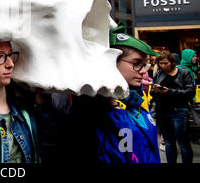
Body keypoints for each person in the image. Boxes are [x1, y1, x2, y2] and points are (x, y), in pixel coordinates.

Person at [60, 22, 161, 163]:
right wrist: (115, 111)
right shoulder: (90, 109)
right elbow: (123, 152)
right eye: (136, 63)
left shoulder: (136, 100)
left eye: (144, 64)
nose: (144, 71)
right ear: (111, 62)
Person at [151, 51, 195, 163]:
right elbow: (152, 92)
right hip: (163, 110)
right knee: (169, 143)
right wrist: (156, 90)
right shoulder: (159, 74)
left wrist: (169, 91)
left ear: (172, 62)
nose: (163, 66)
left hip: (179, 110)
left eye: (165, 63)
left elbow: (190, 92)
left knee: (183, 142)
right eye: (160, 63)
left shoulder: (183, 73)